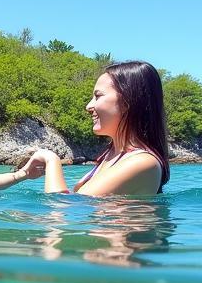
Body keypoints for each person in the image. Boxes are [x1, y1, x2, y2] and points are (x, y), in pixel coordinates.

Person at [41, 60, 170, 197]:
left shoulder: (143, 162)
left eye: (98, 96)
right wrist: (19, 176)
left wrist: (51, 160)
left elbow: (62, 208)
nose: (89, 106)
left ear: (127, 102)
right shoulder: (111, 156)